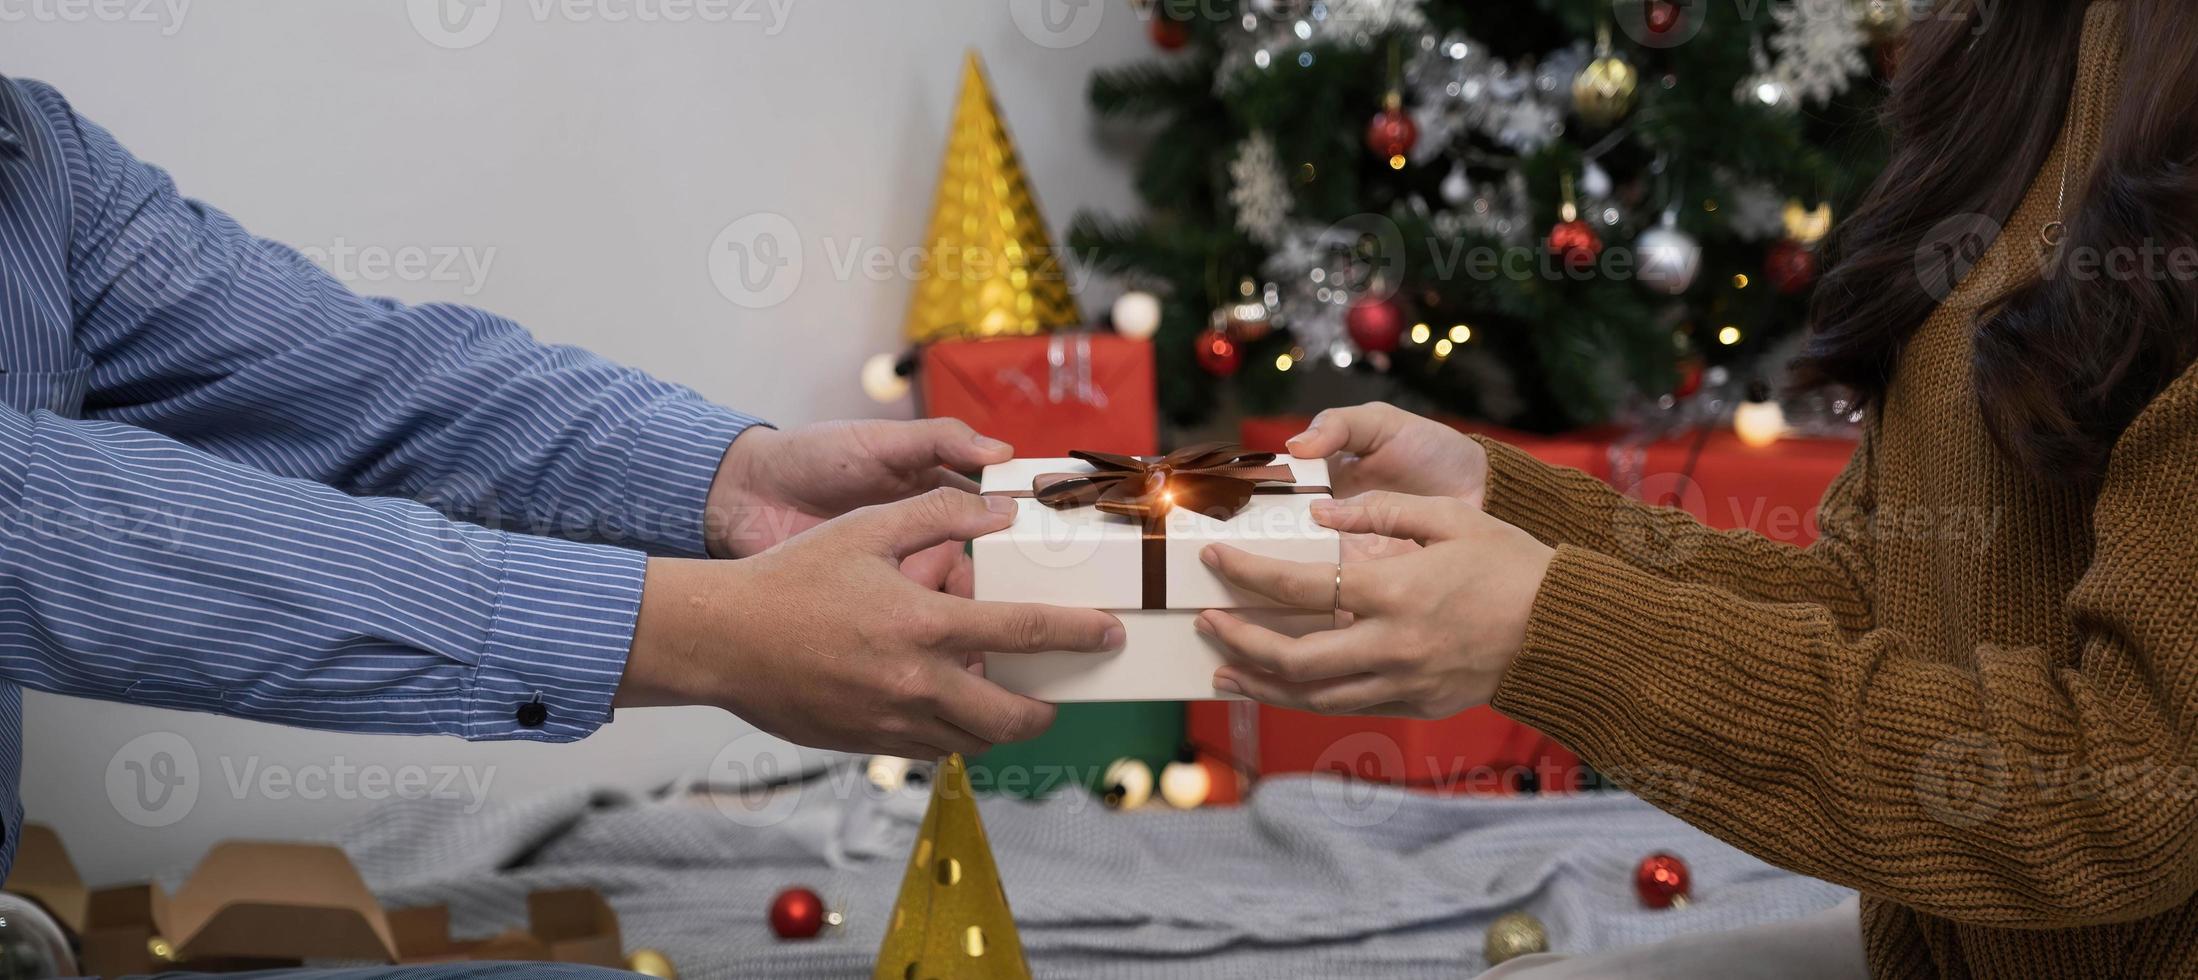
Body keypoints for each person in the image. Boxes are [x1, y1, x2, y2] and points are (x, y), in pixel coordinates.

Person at [0, 72, 1122, 978]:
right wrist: (710, 633)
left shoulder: (35, 161)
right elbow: (53, 519)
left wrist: (735, 477)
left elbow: (381, 383)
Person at [1195, 2, 2198, 977]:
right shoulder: (2024, 71)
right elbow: (1871, 610)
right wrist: (1502, 510)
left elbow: (2127, 793)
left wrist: (1554, 627)